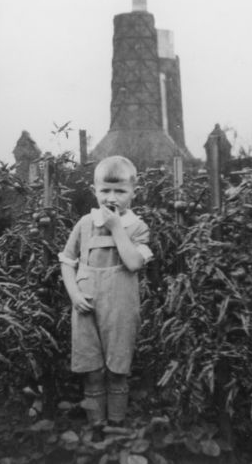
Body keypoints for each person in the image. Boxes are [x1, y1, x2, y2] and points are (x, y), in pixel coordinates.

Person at [58, 155, 153, 427]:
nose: (112, 197)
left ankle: (117, 428)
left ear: (134, 192)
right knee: (92, 370)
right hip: (86, 305)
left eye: (120, 191)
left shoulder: (137, 227)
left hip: (120, 307)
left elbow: (134, 263)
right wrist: (74, 295)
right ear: (94, 191)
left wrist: (115, 227)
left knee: (117, 369)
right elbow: (67, 262)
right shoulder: (84, 224)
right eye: (105, 191)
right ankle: (97, 429)